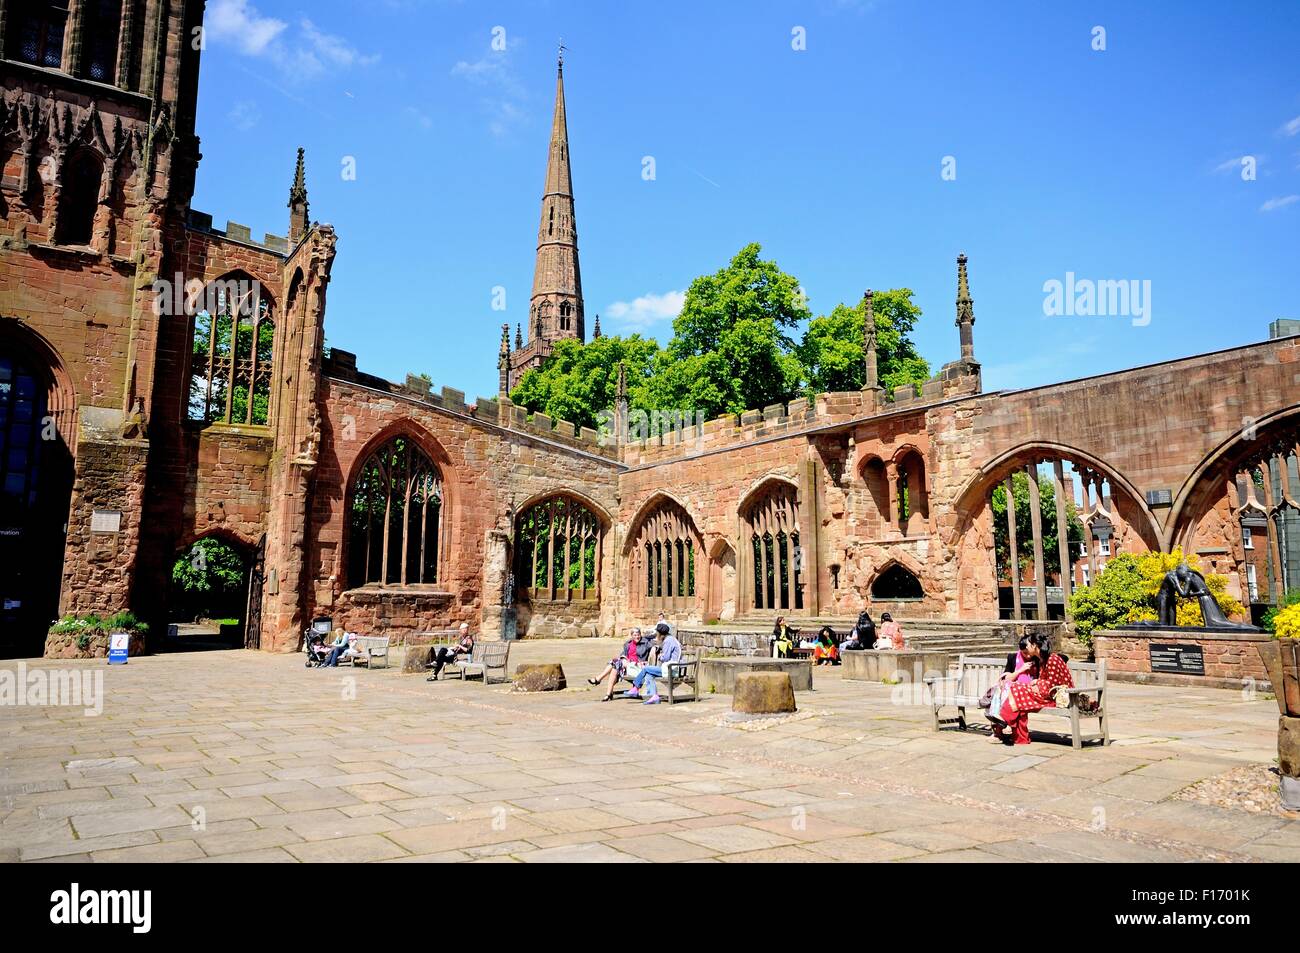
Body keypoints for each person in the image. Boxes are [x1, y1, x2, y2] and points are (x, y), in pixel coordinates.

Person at [994, 633, 1073, 745]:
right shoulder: (1042, 660)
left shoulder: (1052, 659)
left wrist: (1038, 683)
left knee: (1018, 694)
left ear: (1035, 646)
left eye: (1029, 644)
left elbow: (1054, 687)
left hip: (1058, 697)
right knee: (1017, 693)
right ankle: (1017, 733)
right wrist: (1036, 683)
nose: (1027, 647)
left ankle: (1005, 718)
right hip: (1045, 694)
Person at [985, 635, 1038, 739]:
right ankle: (999, 724)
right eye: (1024, 653)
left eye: (1028, 652)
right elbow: (1007, 678)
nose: (1027, 656)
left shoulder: (1037, 658)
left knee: (1006, 693)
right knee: (1004, 689)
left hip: (1027, 691)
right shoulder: (1012, 658)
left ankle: (999, 728)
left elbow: (1064, 657)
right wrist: (1020, 670)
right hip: (1012, 689)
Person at [588, 626, 651, 701]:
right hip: (627, 667)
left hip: (637, 667)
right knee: (615, 668)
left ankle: (598, 679)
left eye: (638, 635)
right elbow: (623, 654)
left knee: (615, 663)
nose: (637, 637)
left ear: (640, 635)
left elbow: (656, 644)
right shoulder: (628, 644)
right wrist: (623, 658)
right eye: (635, 635)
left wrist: (655, 649)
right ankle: (608, 694)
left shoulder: (645, 643)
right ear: (632, 636)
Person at [624, 622, 680, 704]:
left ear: (661, 634)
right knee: (649, 674)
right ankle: (654, 696)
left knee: (646, 668)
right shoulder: (670, 639)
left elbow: (666, 658)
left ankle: (636, 688)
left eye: (657, 633)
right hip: (670, 668)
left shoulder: (668, 641)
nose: (656, 634)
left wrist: (660, 656)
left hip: (672, 669)